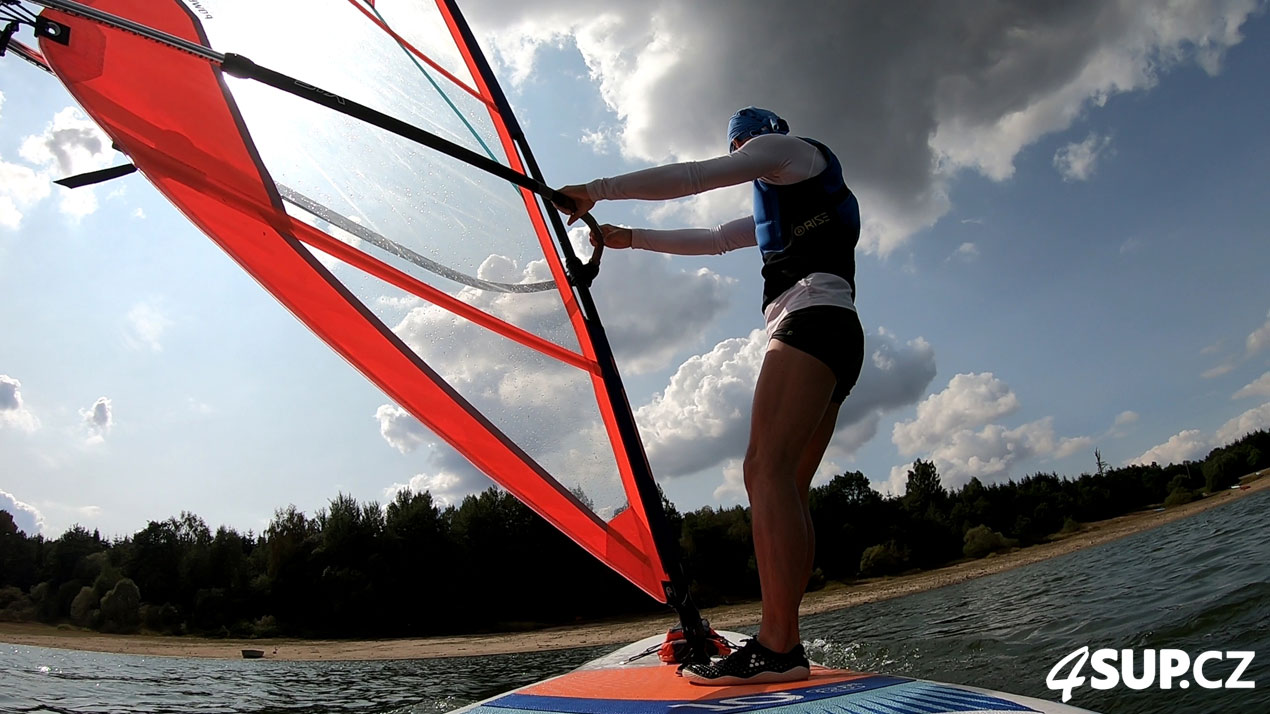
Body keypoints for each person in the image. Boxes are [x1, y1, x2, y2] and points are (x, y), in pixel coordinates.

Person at [555, 107, 865, 686]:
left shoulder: (790, 151)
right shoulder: (783, 192)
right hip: (838, 332)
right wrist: (629, 240)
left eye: (741, 145)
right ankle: (786, 638)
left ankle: (778, 646)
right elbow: (716, 239)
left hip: (811, 319)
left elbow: (693, 177)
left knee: (762, 472)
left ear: (760, 137)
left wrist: (594, 192)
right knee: (787, 484)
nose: (742, 154)